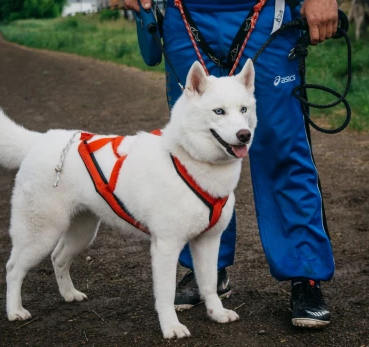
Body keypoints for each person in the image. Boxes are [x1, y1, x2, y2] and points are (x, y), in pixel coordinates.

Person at [124, 0, 338, 328]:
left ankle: (304, 273)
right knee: (197, 150)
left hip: (266, 10)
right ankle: (206, 269)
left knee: (283, 149)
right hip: (184, 12)